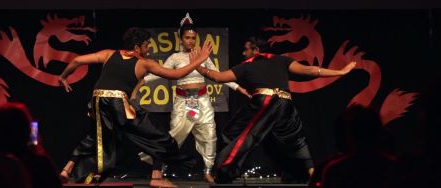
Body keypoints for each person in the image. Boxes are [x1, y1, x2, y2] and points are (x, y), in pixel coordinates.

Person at [58, 27, 212, 187]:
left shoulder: (109, 53)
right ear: (137, 47)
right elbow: (176, 74)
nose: (149, 48)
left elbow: (77, 60)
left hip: (97, 100)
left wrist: (63, 77)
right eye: (147, 45)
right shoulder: (144, 63)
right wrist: (199, 60)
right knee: (157, 136)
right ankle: (157, 177)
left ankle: (67, 169)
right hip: (118, 102)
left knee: (97, 137)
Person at [194, 36, 356, 183]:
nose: (243, 53)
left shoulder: (247, 66)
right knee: (294, 138)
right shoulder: (282, 60)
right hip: (286, 103)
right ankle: (309, 172)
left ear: (256, 50)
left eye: (246, 49)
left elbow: (218, 77)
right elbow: (310, 70)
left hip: (266, 101)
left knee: (239, 133)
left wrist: (198, 65)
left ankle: (225, 172)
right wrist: (339, 72)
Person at [139, 13, 250, 183]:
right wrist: (139, 83)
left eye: (193, 38)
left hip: (203, 101)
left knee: (209, 136)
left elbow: (219, 76)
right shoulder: (175, 58)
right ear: (181, 39)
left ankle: (207, 171)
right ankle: (158, 169)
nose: (191, 41)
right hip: (183, 102)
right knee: (174, 136)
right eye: (187, 38)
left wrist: (238, 87)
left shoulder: (203, 57)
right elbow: (158, 73)